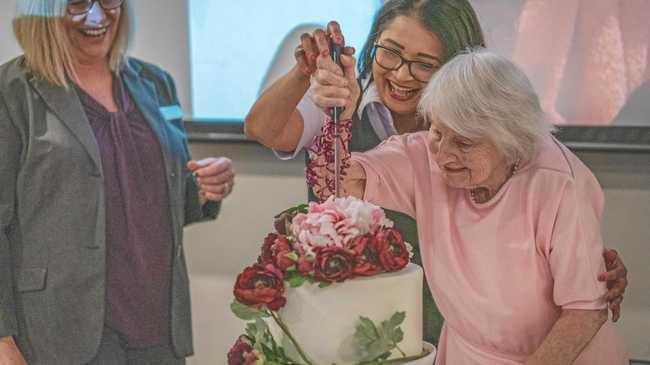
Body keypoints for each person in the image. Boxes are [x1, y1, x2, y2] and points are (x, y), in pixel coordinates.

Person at [244, 0, 628, 345]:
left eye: (424, 64)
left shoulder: (539, 166)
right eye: (389, 53)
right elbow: (316, 166)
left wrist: (580, 268)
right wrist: (320, 94)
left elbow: (573, 293)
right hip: (356, 315)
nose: (401, 74)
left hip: (446, 322)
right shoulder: (349, 103)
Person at [313, 48, 629, 364]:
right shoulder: (423, 157)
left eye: (464, 142)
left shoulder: (559, 185)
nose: (443, 155)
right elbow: (336, 186)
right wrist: (337, 118)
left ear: (511, 139)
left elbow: (585, 311)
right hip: (467, 353)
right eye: (438, 131)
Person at [0, 1, 235, 364]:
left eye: (109, 0)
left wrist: (204, 187)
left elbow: (159, 198)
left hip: (157, 327)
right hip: (60, 334)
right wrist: (2, 341)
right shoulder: (11, 93)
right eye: (78, 3)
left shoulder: (157, 84)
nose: (97, 16)